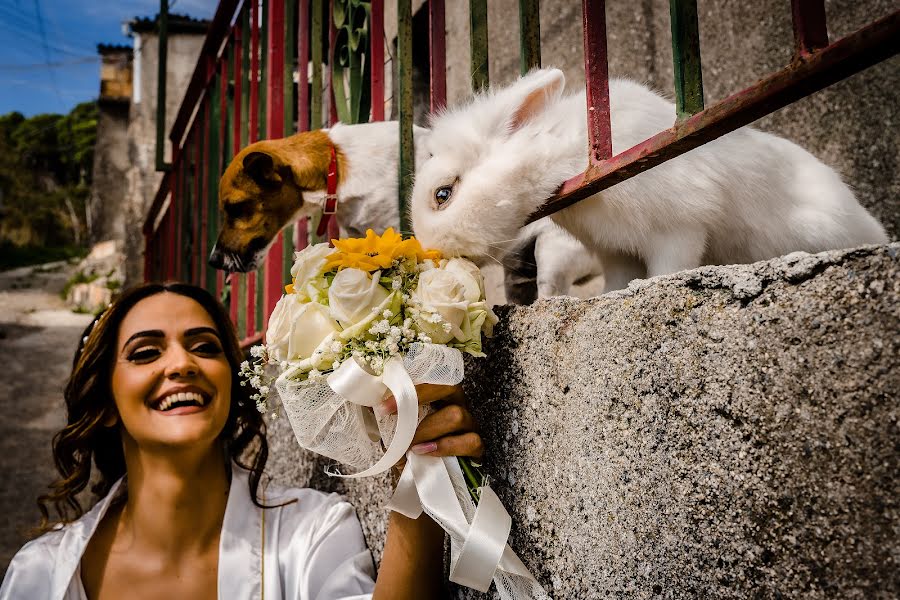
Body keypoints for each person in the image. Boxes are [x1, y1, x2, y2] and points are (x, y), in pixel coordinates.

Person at [0, 282, 483, 599]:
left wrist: (417, 475)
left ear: (231, 387)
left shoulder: (310, 534)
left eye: (205, 347)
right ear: (105, 403)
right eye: (146, 352)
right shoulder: (40, 575)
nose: (182, 364)